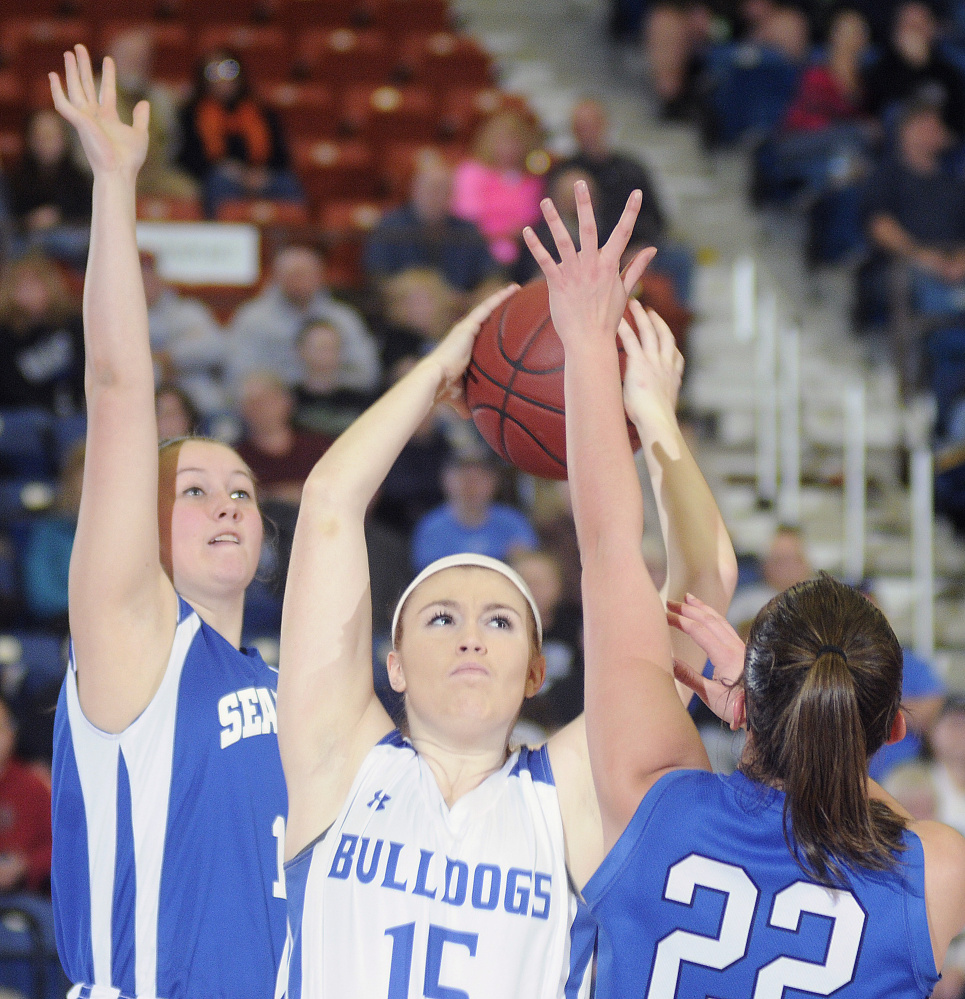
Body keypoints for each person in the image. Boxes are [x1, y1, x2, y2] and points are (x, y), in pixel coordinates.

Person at [273, 188, 736, 997]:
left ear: (533, 669)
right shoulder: (336, 762)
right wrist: (440, 363)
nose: (469, 636)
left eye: (498, 619)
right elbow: (329, 507)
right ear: (394, 664)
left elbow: (701, 592)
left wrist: (654, 416)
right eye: (441, 617)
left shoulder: (569, 795)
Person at [526, 179, 965, 999]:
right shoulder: (936, 868)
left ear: (744, 703)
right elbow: (843, 780)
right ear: (895, 726)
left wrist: (595, 351)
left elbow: (609, 549)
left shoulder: (651, 794)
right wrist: (778, 710)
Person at [47, 46, 287, 998]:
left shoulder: (281, 681)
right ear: (136, 531)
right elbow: (118, 385)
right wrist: (115, 183)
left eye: (239, 489)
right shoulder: (133, 635)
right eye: (192, 489)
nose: (228, 500)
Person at [227, 243, 381, 393]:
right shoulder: (252, 319)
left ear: (320, 276)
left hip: (337, 403)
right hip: (272, 407)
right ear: (276, 277)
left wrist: (323, 383)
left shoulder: (344, 319)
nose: (301, 281)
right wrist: (299, 384)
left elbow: (367, 373)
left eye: (307, 273)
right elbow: (240, 375)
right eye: (294, 274)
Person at [177, 48, 304, 218]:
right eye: (214, 73)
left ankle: (295, 241)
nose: (223, 80)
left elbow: (281, 155)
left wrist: (260, 173)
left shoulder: (261, 112)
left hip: (261, 175)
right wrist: (225, 169)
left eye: (229, 70)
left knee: (287, 183)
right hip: (218, 176)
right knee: (219, 183)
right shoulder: (191, 114)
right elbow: (187, 158)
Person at [363, 152, 504, 296]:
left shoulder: (467, 230)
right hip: (408, 308)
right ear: (414, 189)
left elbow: (492, 275)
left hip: (461, 308)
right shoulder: (390, 227)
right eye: (430, 188)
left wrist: (479, 296)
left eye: (443, 190)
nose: (436, 196)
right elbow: (378, 277)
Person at [410, 450, 539, 570]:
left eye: (479, 478)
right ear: (446, 480)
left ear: (494, 482)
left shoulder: (513, 522)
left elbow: (529, 567)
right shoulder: (431, 528)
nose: (471, 486)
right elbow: (427, 578)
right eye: (463, 478)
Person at [451, 109, 546, 267]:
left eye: (514, 141)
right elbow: (466, 213)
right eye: (502, 141)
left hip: (522, 252)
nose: (508, 148)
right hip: (475, 248)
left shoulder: (531, 180)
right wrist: (500, 234)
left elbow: (531, 217)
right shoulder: (471, 172)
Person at [141, 251, 230, 416]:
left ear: (160, 279)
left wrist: (169, 357)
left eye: (149, 278)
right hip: (144, 402)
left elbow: (216, 348)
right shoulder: (119, 321)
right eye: (139, 279)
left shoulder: (189, 311)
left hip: (197, 396)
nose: (146, 285)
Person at [0, 252, 85, 415]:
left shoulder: (73, 323)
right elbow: (9, 388)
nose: (28, 291)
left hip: (75, 411)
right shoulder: (5, 333)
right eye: (21, 285)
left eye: (34, 283)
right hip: (26, 417)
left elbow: (85, 370)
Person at [5, 109, 92, 266]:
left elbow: (89, 224)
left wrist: (60, 218)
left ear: (64, 138)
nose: (45, 140)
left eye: (52, 135)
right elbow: (7, 226)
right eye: (40, 135)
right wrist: (28, 222)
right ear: (30, 139)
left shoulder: (82, 180)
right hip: (25, 247)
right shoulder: (13, 179)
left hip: (71, 248)